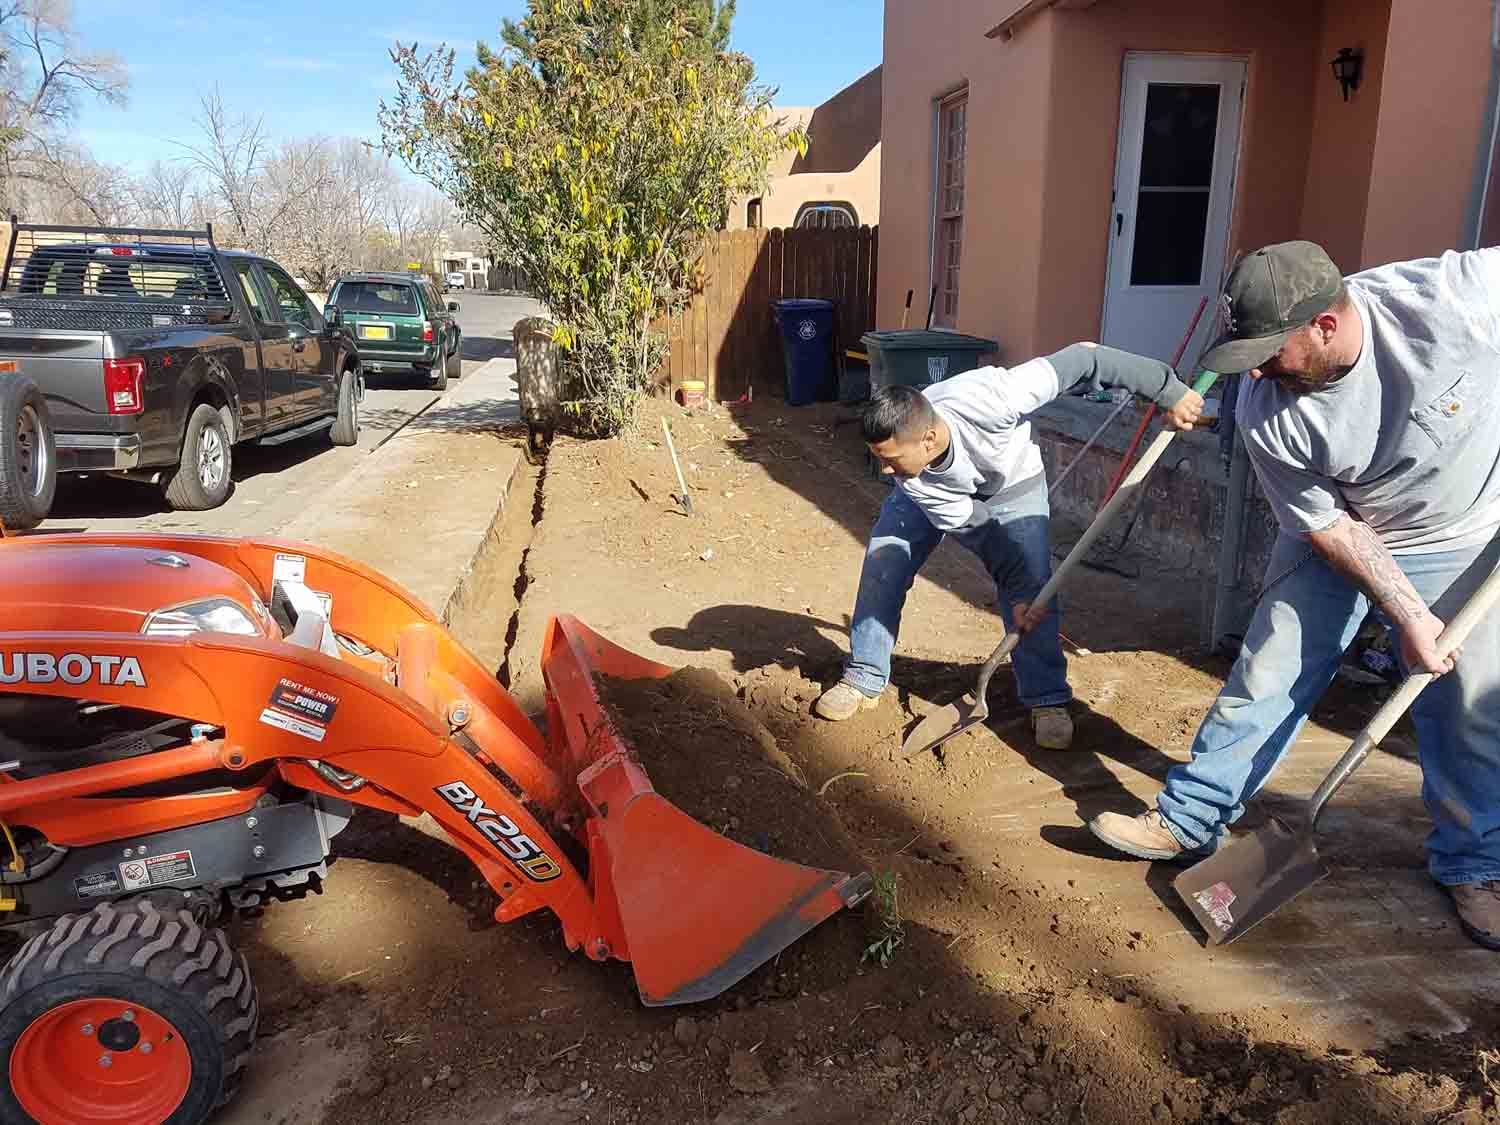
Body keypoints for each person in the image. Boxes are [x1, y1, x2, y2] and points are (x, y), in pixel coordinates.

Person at [1085, 240, 1500, 951]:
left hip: (1458, 527)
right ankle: (1191, 816)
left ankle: (1475, 865)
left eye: (1272, 351)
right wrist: (1407, 612)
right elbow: (1329, 527)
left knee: (1466, 706)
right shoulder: (1265, 406)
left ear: (1326, 326)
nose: (1260, 370)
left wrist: (1426, 620)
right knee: (1268, 670)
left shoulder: (1454, 300)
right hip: (1341, 524)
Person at [814, 344, 1205, 750]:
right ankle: (864, 674)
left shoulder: (994, 396)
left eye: (891, 458)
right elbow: (985, 538)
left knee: (1035, 586)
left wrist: (1167, 389)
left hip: (1013, 484)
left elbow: (1087, 359)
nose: (885, 470)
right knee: (886, 561)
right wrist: (1013, 584)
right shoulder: (911, 479)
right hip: (948, 494)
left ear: (928, 439)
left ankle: (1046, 698)